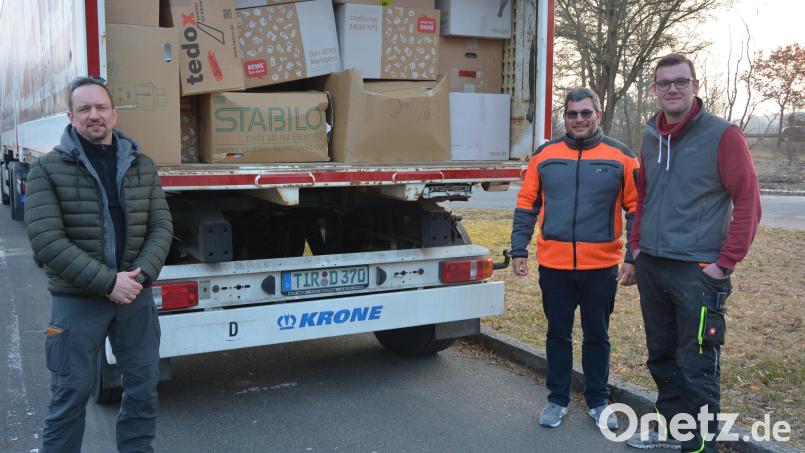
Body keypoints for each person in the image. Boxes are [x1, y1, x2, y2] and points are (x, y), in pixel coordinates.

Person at [24, 76, 173, 453]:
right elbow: (47, 240)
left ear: (114, 114)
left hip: (134, 296)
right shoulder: (47, 170)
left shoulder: (143, 165)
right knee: (69, 394)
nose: (95, 115)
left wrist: (140, 275)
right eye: (85, 109)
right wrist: (109, 283)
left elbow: (162, 226)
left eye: (101, 107)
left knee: (142, 388)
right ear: (71, 117)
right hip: (78, 299)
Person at [626, 53, 761, 453]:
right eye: (664, 83)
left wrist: (725, 264)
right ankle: (671, 433)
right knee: (661, 357)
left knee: (697, 362)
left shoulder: (723, 135)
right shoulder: (651, 135)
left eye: (680, 81)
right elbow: (644, 197)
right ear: (654, 90)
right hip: (653, 264)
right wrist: (635, 250)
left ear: (695, 85)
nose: (672, 89)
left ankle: (698, 446)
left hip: (697, 270)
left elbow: (748, 200)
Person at [510, 88, 639, 431]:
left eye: (585, 113)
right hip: (554, 266)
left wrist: (633, 257)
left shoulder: (622, 156)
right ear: (564, 117)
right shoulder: (545, 155)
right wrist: (519, 249)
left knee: (597, 335)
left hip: (601, 268)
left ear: (598, 113)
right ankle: (557, 399)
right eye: (572, 114)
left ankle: (598, 401)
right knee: (558, 334)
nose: (579, 119)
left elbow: (637, 210)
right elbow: (526, 204)